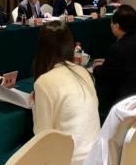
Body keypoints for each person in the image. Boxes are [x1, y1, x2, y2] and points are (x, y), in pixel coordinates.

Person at [29, 21, 100, 164]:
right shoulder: (84, 72)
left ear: (42, 48)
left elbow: (42, 137)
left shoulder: (43, 82)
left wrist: (34, 106)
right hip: (97, 157)